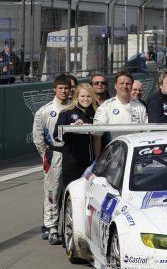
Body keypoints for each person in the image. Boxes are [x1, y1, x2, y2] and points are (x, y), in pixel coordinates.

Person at [33, 75, 73, 243]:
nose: (64, 91)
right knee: (52, 191)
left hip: (72, 155)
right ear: (55, 89)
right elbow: (38, 138)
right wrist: (46, 155)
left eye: (66, 88)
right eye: (60, 88)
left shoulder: (74, 108)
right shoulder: (44, 111)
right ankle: (51, 228)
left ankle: (67, 227)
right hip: (54, 154)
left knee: (70, 191)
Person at [54, 83, 97, 214]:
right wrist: (71, 127)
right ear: (76, 97)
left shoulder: (98, 112)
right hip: (72, 163)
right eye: (82, 96)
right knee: (70, 197)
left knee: (90, 198)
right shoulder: (66, 113)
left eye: (89, 96)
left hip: (92, 164)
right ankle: (66, 228)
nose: (86, 99)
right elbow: (56, 136)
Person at [92, 69, 148, 155]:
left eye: (128, 84)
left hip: (135, 154)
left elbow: (146, 133)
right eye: (121, 83)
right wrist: (97, 160)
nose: (125, 86)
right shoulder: (106, 107)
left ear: (132, 85)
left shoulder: (140, 107)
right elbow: (97, 135)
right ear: (115, 86)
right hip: (113, 155)